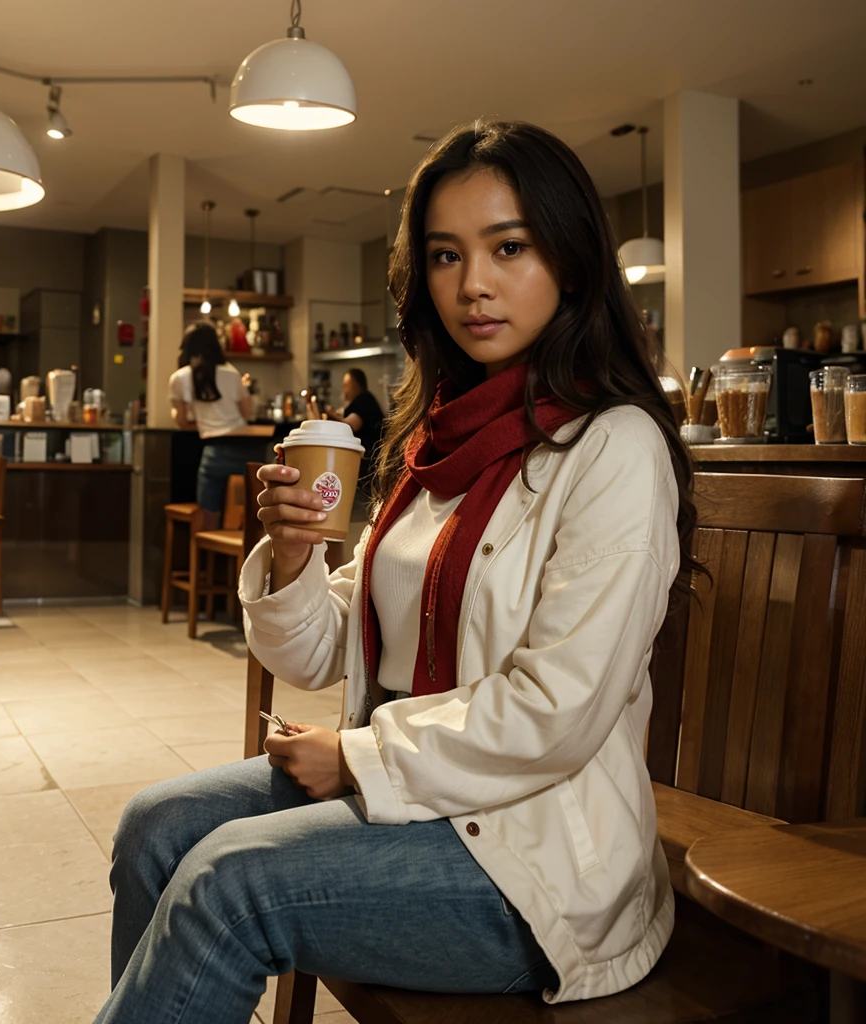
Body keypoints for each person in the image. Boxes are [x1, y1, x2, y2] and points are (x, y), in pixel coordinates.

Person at [95, 120, 702, 1024]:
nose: (475, 284)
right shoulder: (437, 440)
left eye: (510, 247)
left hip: (533, 862)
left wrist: (359, 754)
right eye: (446, 255)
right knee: (154, 827)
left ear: (570, 259)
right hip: (422, 798)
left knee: (226, 888)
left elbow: (559, 711)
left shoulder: (613, 445)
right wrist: (298, 556)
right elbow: (326, 644)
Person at [168, 322, 264, 531]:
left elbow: (182, 422)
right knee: (248, 513)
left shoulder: (181, 377)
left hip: (215, 451)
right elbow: (247, 414)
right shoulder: (232, 372)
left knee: (209, 515)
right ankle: (241, 553)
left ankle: (209, 556)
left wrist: (189, 417)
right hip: (249, 452)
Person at [324, 368, 385, 502]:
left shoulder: (363, 401)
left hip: (368, 464)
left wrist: (329, 415)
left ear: (356, 385)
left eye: (346, 385)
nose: (344, 389)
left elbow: (350, 426)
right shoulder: (365, 400)